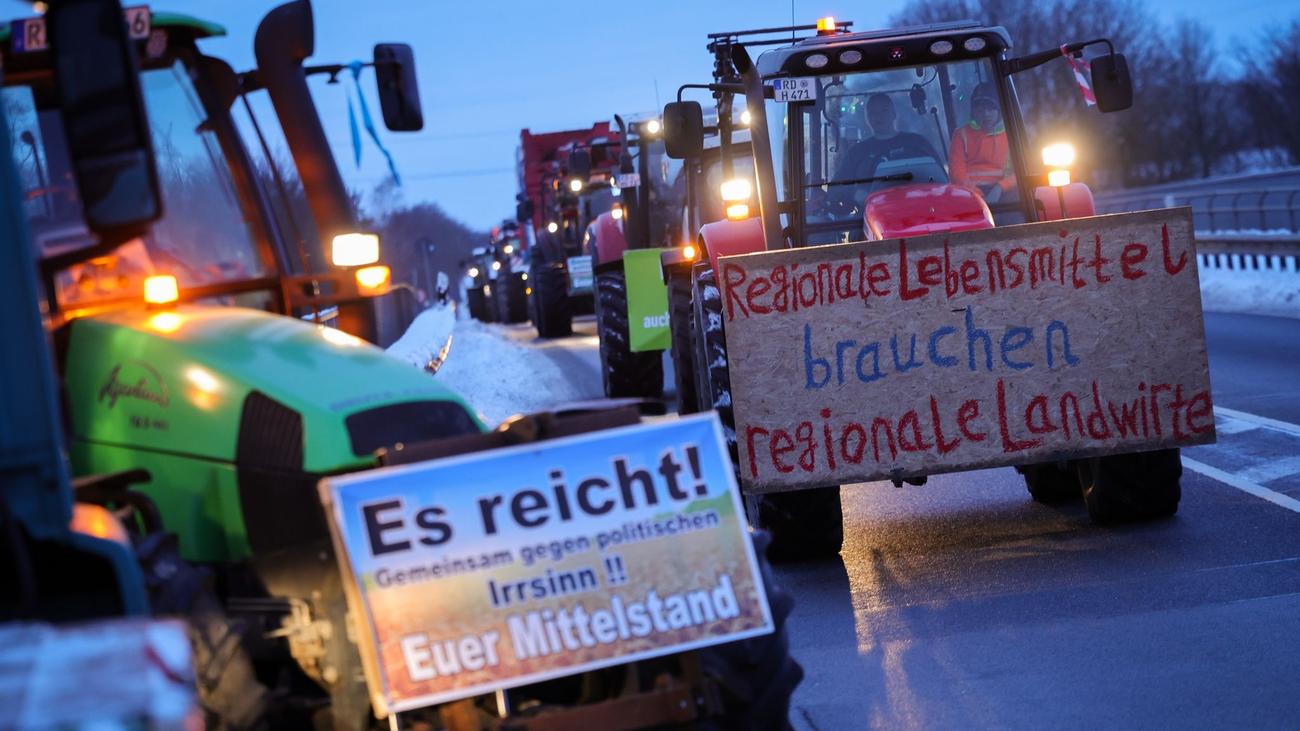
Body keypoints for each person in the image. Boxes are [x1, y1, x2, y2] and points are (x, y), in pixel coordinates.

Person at [833, 93, 940, 183]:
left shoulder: (917, 144)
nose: (878, 116)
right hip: (869, 207)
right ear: (867, 118)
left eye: (884, 111)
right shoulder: (857, 153)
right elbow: (839, 188)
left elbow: (939, 179)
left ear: (894, 114)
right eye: (872, 113)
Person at [949, 81, 1017, 202]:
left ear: (999, 111)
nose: (985, 114)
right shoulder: (961, 134)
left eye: (991, 109)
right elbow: (957, 173)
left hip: (1004, 194)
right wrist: (976, 194)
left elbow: (1020, 172)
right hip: (970, 195)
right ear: (973, 113)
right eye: (980, 110)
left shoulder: (1011, 135)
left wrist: (1000, 188)